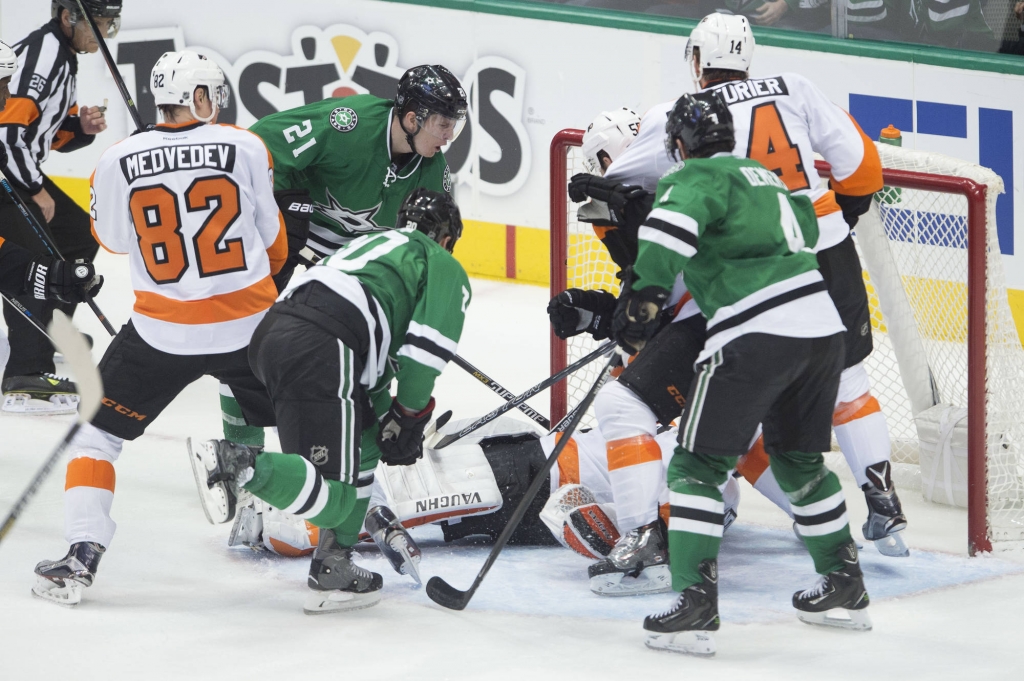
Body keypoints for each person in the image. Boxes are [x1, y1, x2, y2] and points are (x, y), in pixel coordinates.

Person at [572, 12, 909, 560]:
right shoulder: (796, 88)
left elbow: (616, 193)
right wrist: (833, 223)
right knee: (849, 382)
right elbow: (865, 171)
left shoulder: (677, 118)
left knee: (709, 438)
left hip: (746, 283)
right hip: (822, 247)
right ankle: (881, 501)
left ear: (698, 62)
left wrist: (634, 290)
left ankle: (671, 558)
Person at [31, 50, 286, 608]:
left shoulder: (118, 157)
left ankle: (82, 552)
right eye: (211, 95)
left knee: (94, 435)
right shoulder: (245, 145)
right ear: (200, 98)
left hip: (162, 333)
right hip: (250, 328)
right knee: (312, 419)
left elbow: (117, 241)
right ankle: (336, 540)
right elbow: (273, 240)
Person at [619, 91, 869, 656]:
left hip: (755, 335)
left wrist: (643, 300)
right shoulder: (765, 175)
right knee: (801, 462)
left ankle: (694, 605)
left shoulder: (694, 176)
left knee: (695, 466)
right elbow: (806, 226)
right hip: (821, 328)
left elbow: (668, 233)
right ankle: (845, 585)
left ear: (679, 144)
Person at [190, 188, 471, 614]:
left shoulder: (366, 247)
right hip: (325, 345)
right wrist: (411, 414)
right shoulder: (441, 262)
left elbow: (372, 376)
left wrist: (388, 421)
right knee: (334, 497)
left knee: (367, 444)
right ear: (448, 238)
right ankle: (239, 462)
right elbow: (423, 357)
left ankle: (333, 564)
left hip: (274, 337)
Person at [0, 0, 118, 412]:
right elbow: (8, 133)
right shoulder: (42, 56)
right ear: (69, 17)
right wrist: (34, 188)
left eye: (109, 23)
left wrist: (79, 129)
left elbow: (41, 132)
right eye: (98, 23)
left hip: (19, 168)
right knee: (30, 260)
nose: (103, 32)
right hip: (11, 171)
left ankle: (48, 327)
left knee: (78, 234)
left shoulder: (64, 55)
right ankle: (25, 374)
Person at [249, 64, 467, 261]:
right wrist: (275, 209)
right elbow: (261, 142)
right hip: (296, 233)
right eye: (443, 125)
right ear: (412, 120)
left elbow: (435, 246)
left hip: (354, 262)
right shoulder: (348, 126)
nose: (449, 136)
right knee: (257, 303)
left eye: (454, 126)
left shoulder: (433, 172)